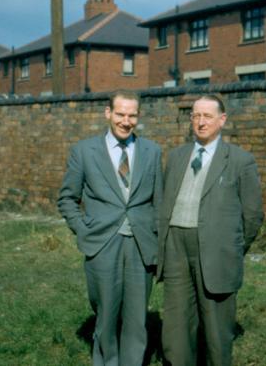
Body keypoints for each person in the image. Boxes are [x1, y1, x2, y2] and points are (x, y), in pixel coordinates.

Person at [58, 90, 163, 366]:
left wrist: (157, 240)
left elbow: (159, 202)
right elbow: (67, 198)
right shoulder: (84, 151)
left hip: (141, 245)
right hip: (102, 243)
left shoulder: (152, 151)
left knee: (137, 316)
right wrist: (83, 229)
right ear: (108, 113)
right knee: (105, 313)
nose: (126, 121)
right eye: (120, 114)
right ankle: (106, 360)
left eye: (132, 115)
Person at [158, 94, 264, 366]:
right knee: (176, 322)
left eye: (207, 116)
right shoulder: (178, 155)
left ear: (222, 120)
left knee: (216, 328)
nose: (200, 122)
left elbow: (252, 216)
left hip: (216, 251)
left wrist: (231, 248)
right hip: (176, 248)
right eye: (195, 115)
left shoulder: (240, 160)